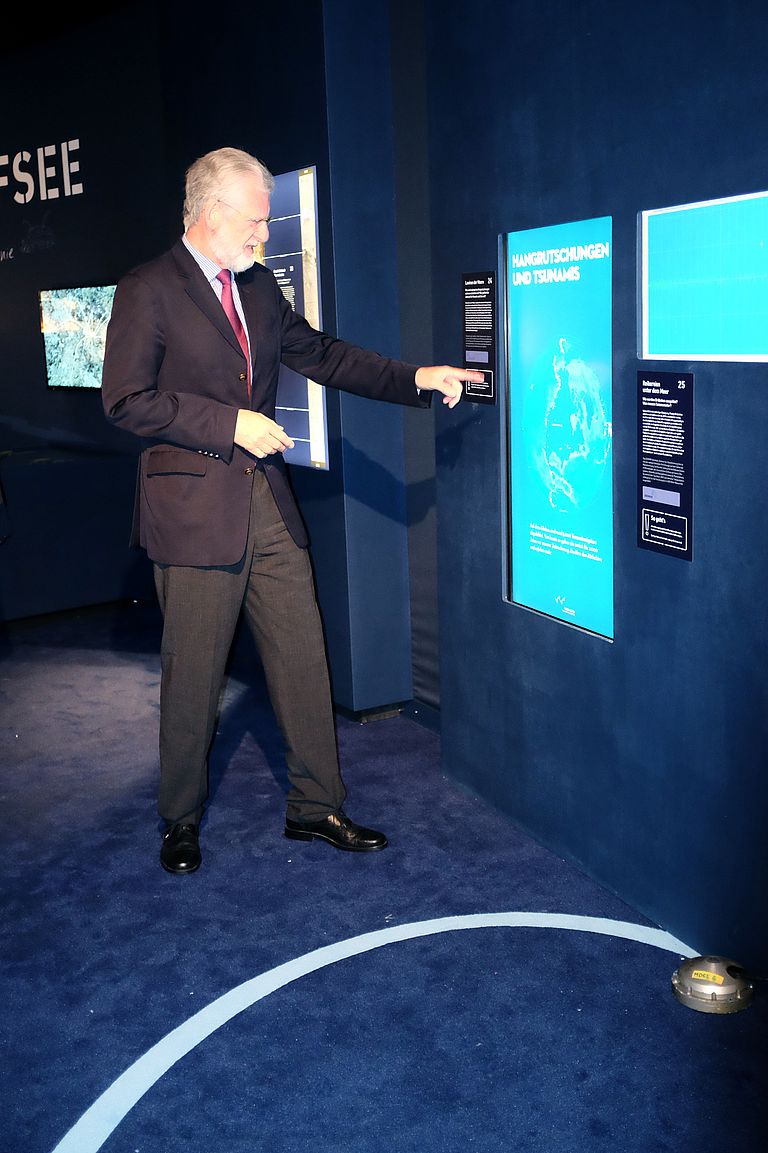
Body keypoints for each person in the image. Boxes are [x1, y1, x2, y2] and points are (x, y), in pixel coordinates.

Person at [101, 146, 483, 874]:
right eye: (255, 221)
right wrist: (228, 422)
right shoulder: (147, 288)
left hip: (267, 503)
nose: (262, 236)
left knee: (305, 658)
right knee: (195, 674)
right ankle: (180, 818)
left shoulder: (259, 291)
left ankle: (316, 807)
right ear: (213, 213)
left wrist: (419, 379)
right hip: (192, 512)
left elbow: (326, 356)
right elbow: (125, 400)